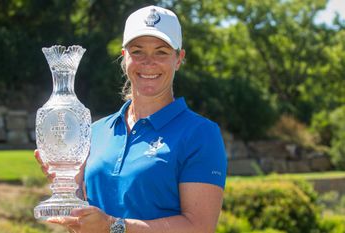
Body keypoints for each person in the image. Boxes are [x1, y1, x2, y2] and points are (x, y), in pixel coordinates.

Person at [35, 5, 227, 233]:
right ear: (124, 56)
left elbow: (200, 227)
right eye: (137, 51)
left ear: (179, 58)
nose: (148, 62)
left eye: (161, 52)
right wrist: (67, 190)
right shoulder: (95, 132)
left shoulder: (201, 134)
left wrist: (114, 227)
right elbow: (88, 221)